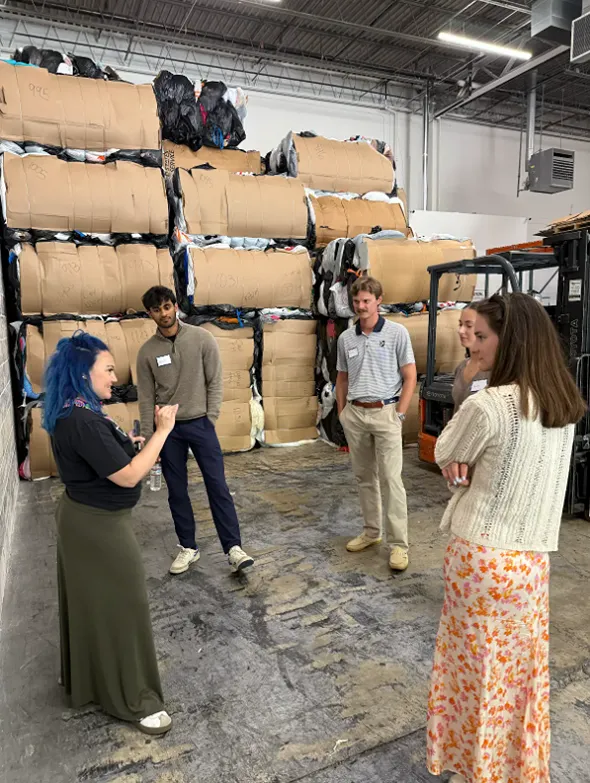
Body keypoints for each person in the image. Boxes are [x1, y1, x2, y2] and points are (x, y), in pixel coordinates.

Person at [427, 292, 586, 783]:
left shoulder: (491, 403)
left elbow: (444, 450)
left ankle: (472, 765)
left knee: (472, 673)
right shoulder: (563, 404)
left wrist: (470, 379)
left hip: (482, 555)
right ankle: (509, 768)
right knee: (518, 675)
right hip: (532, 562)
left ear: (509, 340)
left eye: (483, 337)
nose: (475, 344)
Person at [43, 331, 179, 735]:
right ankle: (133, 698)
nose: (113, 377)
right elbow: (130, 475)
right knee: (123, 606)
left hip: (86, 519)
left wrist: (127, 442)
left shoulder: (75, 410)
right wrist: (161, 432)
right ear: (84, 373)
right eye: (107, 369)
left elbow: (104, 456)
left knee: (95, 606)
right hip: (97, 527)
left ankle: (91, 682)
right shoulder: (82, 420)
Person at [136, 286, 254, 576]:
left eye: (166, 307)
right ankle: (188, 547)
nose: (163, 314)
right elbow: (146, 397)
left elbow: (215, 381)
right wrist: (152, 439)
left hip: (201, 423)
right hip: (168, 430)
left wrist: (210, 418)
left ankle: (234, 548)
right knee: (177, 490)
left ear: (175, 306)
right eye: (156, 310)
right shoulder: (147, 352)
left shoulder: (202, 338)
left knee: (217, 485)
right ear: (149, 314)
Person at [335, 276, 417, 572]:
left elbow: (410, 376)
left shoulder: (397, 333)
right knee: (364, 477)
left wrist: (400, 413)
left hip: (386, 413)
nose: (361, 306)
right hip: (356, 415)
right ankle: (372, 532)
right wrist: (343, 411)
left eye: (367, 301)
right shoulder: (346, 337)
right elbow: (341, 378)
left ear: (379, 301)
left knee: (391, 480)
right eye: (356, 302)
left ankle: (399, 546)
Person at [452, 303, 490, 411]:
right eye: (460, 324)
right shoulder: (461, 368)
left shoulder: (495, 370)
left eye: (469, 326)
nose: (461, 331)